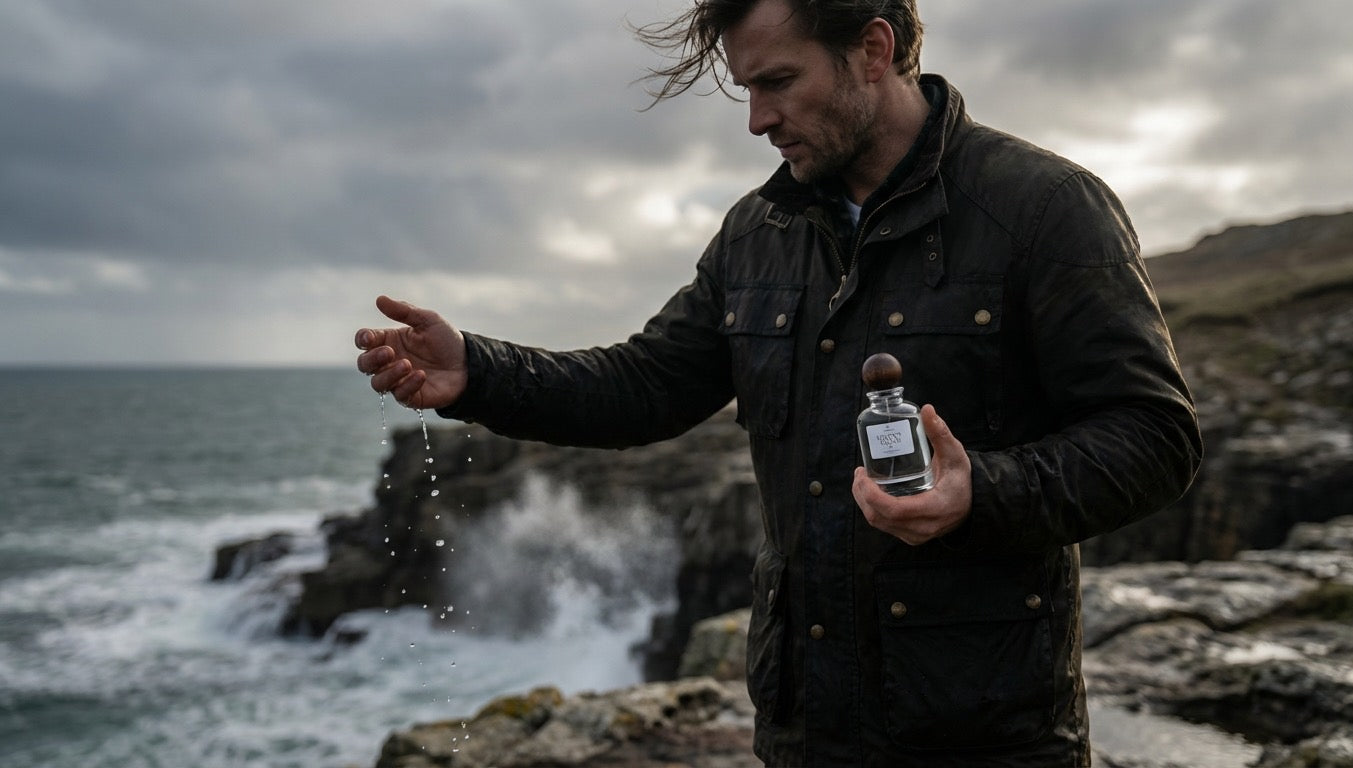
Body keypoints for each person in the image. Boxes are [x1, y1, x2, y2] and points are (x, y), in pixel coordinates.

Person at [355, 0, 1203, 764]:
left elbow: (1155, 436)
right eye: (747, 90)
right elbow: (644, 386)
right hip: (805, 733)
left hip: (988, 736)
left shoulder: (1045, 207)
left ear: (874, 49)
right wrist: (478, 372)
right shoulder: (758, 231)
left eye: (778, 83)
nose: (758, 120)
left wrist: (981, 491)